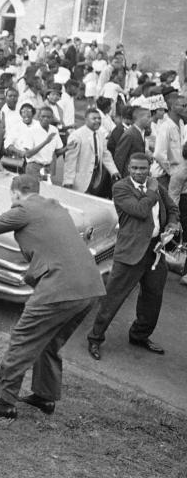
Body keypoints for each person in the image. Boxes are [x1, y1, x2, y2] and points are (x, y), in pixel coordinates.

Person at [0, 174, 106, 419]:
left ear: (15, 192)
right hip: (90, 287)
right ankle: (45, 396)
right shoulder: (56, 207)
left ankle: (4, 400)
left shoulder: (24, 208)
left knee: (23, 338)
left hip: (60, 288)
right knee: (50, 341)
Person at [87, 153, 180, 361]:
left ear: (149, 169)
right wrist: (152, 191)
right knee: (113, 298)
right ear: (128, 168)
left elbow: (173, 208)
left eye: (143, 168)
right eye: (135, 168)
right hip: (129, 253)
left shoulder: (156, 186)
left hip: (155, 253)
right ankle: (95, 337)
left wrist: (173, 223)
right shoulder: (121, 188)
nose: (139, 172)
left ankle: (139, 335)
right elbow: (139, 210)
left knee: (153, 298)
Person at [62, 108, 120, 196]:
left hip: (95, 177)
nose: (97, 121)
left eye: (99, 118)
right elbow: (70, 160)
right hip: (80, 178)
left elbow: (105, 155)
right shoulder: (77, 135)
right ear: (86, 120)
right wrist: (68, 180)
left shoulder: (100, 134)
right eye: (94, 118)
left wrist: (114, 171)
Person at [112, 105, 149, 177]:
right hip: (129, 175)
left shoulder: (141, 132)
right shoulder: (130, 134)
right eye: (148, 117)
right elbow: (120, 157)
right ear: (140, 118)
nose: (150, 120)